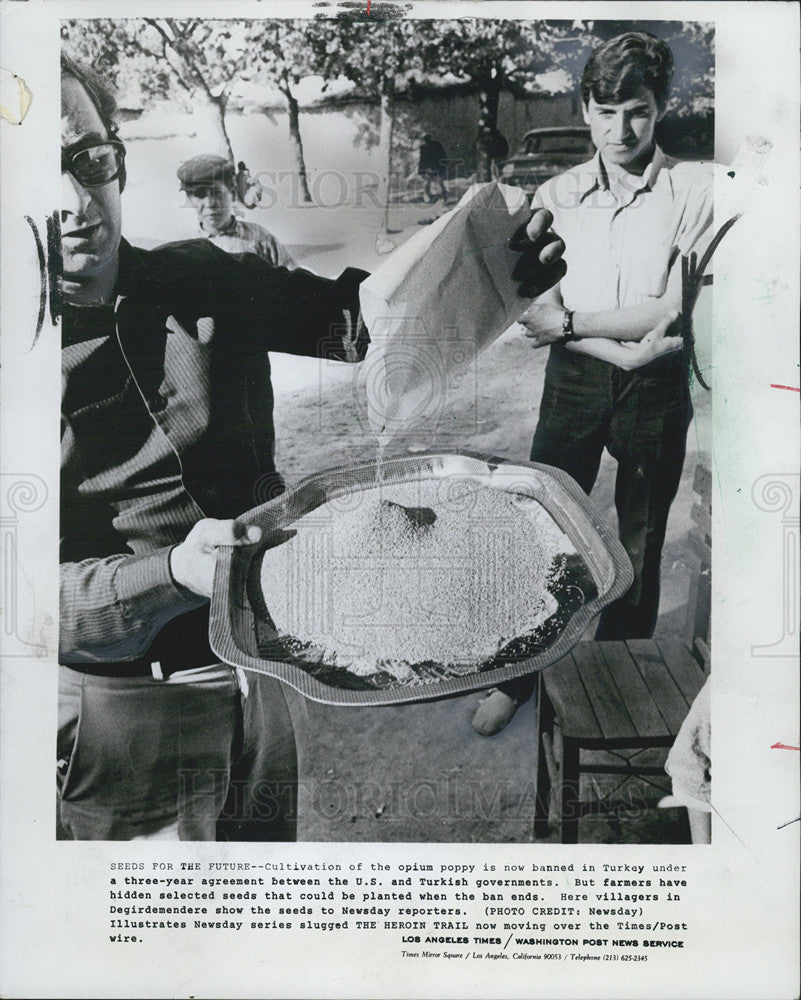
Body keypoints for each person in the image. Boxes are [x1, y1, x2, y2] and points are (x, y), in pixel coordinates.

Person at [58, 52, 566, 839]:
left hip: (263, 667)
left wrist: (485, 267)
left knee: (259, 905)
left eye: (86, 159)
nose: (72, 202)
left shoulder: (204, 276)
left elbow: (363, 325)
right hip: (116, 713)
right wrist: (169, 575)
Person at [472, 31, 713, 737]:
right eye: (604, 112)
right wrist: (594, 339)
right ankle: (519, 676)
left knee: (637, 541)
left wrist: (572, 324)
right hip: (575, 381)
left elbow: (665, 312)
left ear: (659, 106)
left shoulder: (692, 189)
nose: (620, 130)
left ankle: (613, 677)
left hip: (653, 386)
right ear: (584, 109)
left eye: (635, 111)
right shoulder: (555, 193)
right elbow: (530, 309)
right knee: (546, 528)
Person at [178, 154, 293, 267]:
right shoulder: (182, 247)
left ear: (232, 192)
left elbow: (296, 280)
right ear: (189, 199)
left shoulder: (260, 238)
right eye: (200, 195)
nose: (210, 203)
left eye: (217, 193)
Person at [418, 133, 448, 204]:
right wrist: (421, 170)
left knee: (439, 183)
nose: (426, 141)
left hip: (437, 167)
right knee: (427, 183)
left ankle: (443, 198)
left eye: (427, 139)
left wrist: (442, 167)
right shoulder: (423, 148)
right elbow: (422, 159)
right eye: (425, 139)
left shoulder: (437, 146)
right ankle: (429, 199)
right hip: (428, 168)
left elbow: (442, 157)